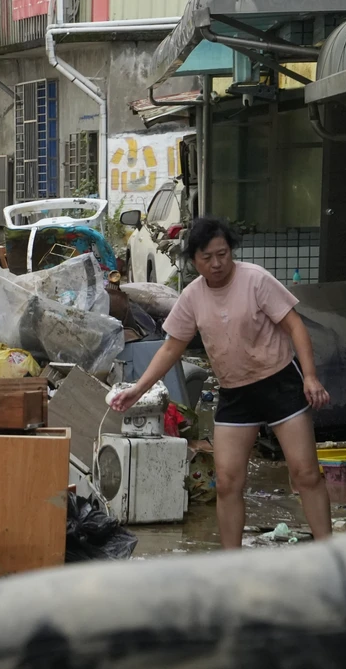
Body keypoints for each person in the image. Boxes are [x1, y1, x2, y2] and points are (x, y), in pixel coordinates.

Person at [110, 217, 332, 549]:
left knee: (306, 474)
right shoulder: (192, 297)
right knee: (227, 483)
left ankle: (331, 553)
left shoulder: (255, 280)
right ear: (193, 260)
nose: (216, 264)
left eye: (222, 254)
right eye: (207, 257)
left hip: (280, 383)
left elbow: (295, 326)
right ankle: (232, 563)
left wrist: (310, 377)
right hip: (234, 393)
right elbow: (171, 346)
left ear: (231, 251)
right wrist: (137, 389)